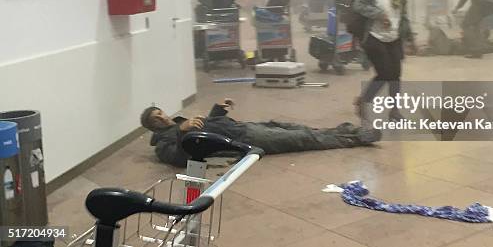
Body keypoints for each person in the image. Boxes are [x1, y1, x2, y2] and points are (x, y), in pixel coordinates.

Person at [141, 99, 381, 167]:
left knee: (301, 129)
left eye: (160, 112)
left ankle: (347, 131)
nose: (162, 117)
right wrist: (181, 132)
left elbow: (209, 127)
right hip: (243, 140)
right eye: (156, 119)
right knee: (302, 139)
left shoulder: (179, 122)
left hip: (244, 127)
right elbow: (180, 159)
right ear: (153, 128)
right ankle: (358, 138)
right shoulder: (164, 142)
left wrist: (217, 111)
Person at [353, 0, 414, 121]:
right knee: (385, 73)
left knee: (395, 75)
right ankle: (363, 101)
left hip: (393, 38)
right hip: (374, 37)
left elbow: (402, 15)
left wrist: (409, 37)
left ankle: (394, 111)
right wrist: (378, 14)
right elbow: (359, 4)